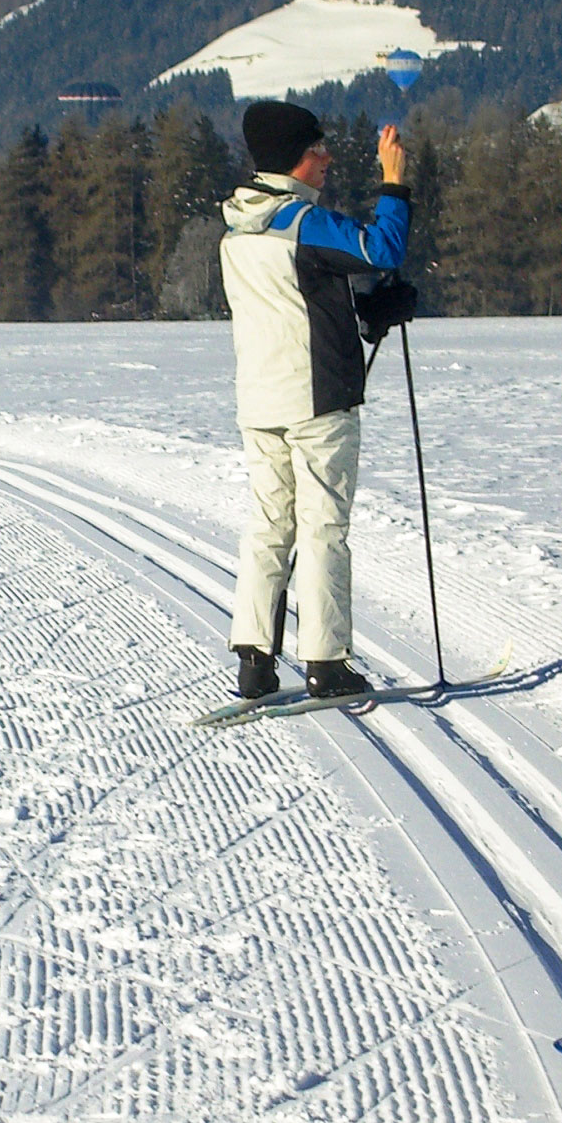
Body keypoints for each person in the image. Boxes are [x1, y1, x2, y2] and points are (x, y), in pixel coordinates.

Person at [220, 102, 409, 700]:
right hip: (318, 401)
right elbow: (383, 249)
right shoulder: (303, 221)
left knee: (268, 527)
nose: (326, 158)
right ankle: (326, 663)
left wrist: (361, 314)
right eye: (316, 149)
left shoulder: (236, 228)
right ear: (289, 160)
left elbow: (294, 301)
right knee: (324, 526)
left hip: (259, 400)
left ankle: (255, 660)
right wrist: (394, 182)